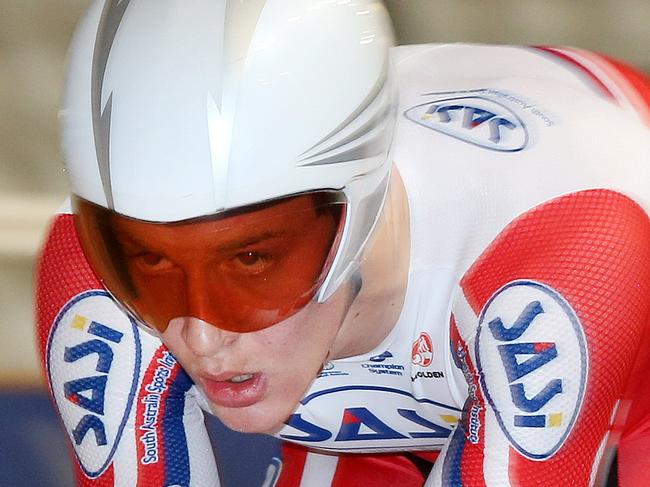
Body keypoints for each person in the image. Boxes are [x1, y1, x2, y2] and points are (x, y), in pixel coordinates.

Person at [35, 0, 650, 485]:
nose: (201, 336)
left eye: (251, 260)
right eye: (153, 261)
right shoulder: (91, 267)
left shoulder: (564, 249)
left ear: (355, 212)